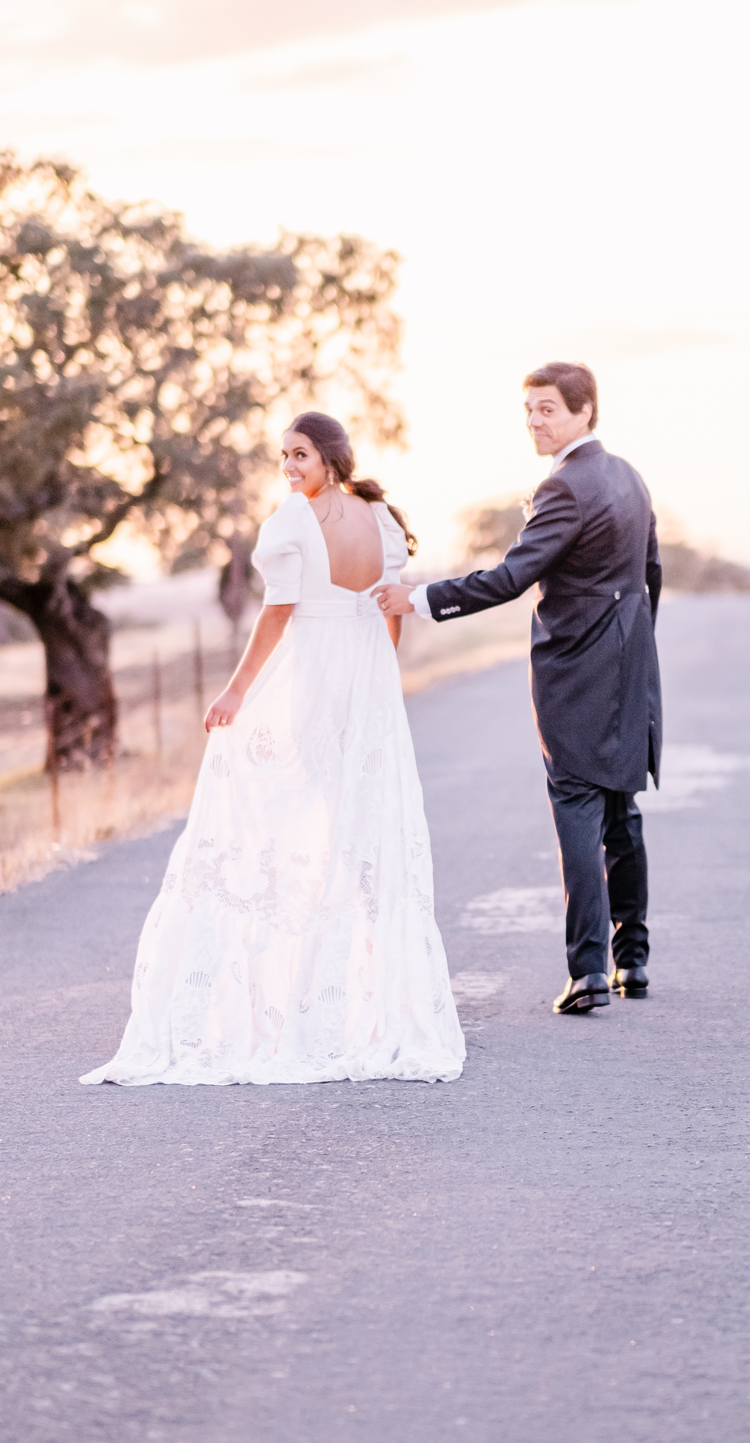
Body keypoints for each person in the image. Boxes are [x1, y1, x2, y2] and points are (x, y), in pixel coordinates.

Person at [81, 412, 465, 1087]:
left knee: (303, 826)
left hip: (319, 677)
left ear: (331, 458)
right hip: (366, 684)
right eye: (283, 456)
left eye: (301, 455)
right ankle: (351, 997)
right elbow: (386, 617)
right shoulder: (379, 520)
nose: (289, 467)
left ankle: (316, 1000)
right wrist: (381, 687)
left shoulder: (294, 522)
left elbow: (278, 614)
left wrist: (234, 693)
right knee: (354, 831)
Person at [376, 363, 661, 1015]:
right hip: (630, 664)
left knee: (577, 810)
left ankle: (588, 972)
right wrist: (635, 647)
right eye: (529, 411)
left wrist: (418, 598)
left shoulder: (563, 487)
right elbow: (650, 574)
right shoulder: (630, 477)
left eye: (548, 410)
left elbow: (510, 578)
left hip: (576, 673)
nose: (535, 422)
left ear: (586, 411)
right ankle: (634, 961)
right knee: (620, 810)